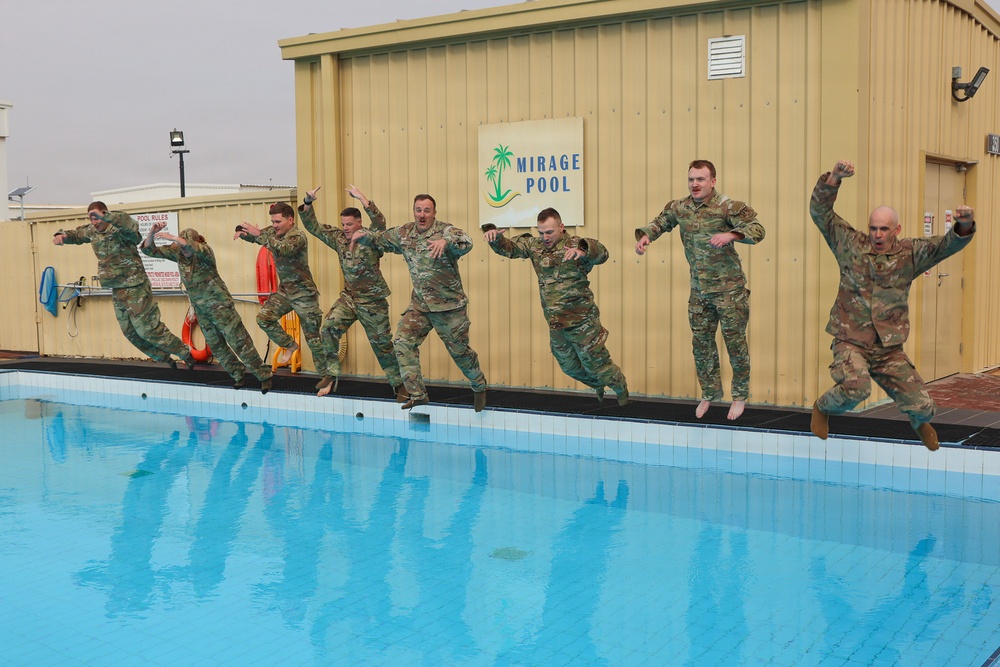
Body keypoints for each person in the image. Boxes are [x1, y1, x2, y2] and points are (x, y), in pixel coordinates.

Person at [808, 159, 977, 451]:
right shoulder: (850, 244)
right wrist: (834, 178)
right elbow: (821, 213)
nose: (877, 235)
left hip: (889, 349)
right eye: (873, 228)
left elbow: (944, 246)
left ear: (896, 229)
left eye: (884, 229)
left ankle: (919, 422)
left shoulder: (911, 254)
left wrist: (963, 225)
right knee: (856, 388)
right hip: (852, 342)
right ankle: (822, 408)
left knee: (924, 406)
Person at [635, 160, 765, 420]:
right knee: (702, 344)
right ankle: (710, 393)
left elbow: (758, 230)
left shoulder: (727, 207)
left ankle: (739, 396)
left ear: (713, 181)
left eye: (701, 179)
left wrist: (733, 235)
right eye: (692, 179)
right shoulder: (680, 207)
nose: (695, 184)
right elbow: (662, 221)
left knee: (735, 344)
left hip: (730, 291)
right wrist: (647, 235)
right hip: (700, 291)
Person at [350, 192, 488, 411]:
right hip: (420, 307)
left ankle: (479, 385)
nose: (422, 215)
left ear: (434, 213)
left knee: (460, 353)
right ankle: (418, 394)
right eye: (418, 210)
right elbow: (380, 239)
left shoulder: (445, 230)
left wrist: (446, 240)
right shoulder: (405, 233)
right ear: (414, 211)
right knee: (402, 342)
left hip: (449, 308)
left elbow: (467, 241)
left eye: (426, 210)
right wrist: (362, 235)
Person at [483, 208, 629, 405]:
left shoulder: (576, 244)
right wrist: (494, 237)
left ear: (561, 227)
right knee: (569, 367)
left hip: (583, 322)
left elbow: (602, 253)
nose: (545, 237)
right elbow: (509, 248)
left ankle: (620, 386)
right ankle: (598, 384)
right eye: (541, 232)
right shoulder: (535, 246)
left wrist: (583, 251)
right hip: (556, 323)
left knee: (597, 365)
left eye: (549, 232)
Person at [52, 201, 194, 368]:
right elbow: (76, 234)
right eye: (91, 219)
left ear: (105, 214)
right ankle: (165, 359)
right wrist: (62, 236)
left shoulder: (121, 228)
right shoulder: (92, 230)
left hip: (135, 286)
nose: (95, 222)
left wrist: (108, 217)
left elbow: (132, 228)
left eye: (97, 217)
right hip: (116, 288)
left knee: (147, 330)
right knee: (130, 332)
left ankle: (184, 352)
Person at [297, 185, 407, 400]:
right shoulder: (339, 238)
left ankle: (399, 384)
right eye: (343, 224)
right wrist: (308, 203)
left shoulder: (371, 237)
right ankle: (331, 374)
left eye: (349, 224)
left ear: (359, 222)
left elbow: (380, 223)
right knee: (328, 328)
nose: (346, 228)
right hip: (349, 298)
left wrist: (364, 200)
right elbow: (314, 228)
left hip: (373, 301)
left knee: (382, 346)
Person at [141, 221, 273, 393]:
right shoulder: (178, 253)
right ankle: (238, 374)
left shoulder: (205, 252)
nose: (184, 251)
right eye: (181, 247)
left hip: (220, 306)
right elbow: (148, 250)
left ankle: (264, 375)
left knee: (239, 341)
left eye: (185, 246)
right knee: (216, 345)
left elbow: (191, 246)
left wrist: (175, 238)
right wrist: (152, 232)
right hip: (201, 309)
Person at [234, 202, 334, 389]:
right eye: (272, 221)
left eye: (278, 221)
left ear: (290, 220)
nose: (274, 225)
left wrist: (259, 235)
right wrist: (242, 233)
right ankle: (290, 344)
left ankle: (327, 380)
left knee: (313, 340)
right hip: (285, 292)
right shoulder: (273, 232)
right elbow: (257, 237)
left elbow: (283, 248)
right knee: (264, 318)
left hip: (304, 294)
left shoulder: (298, 236)